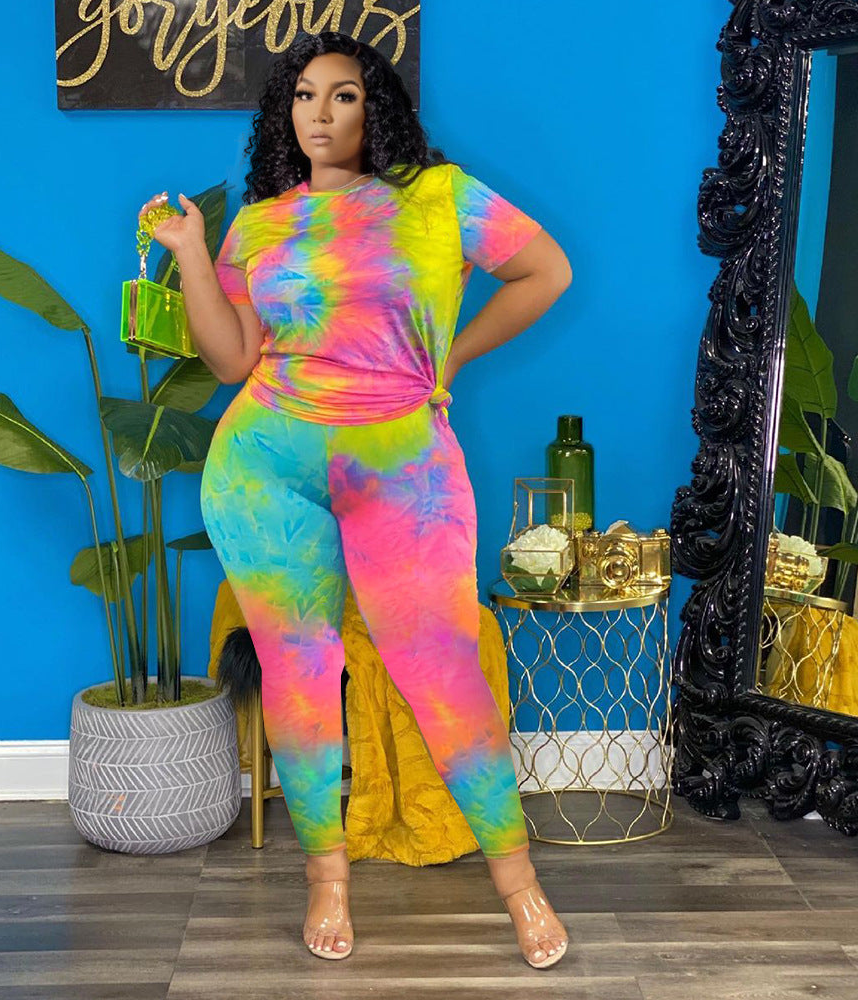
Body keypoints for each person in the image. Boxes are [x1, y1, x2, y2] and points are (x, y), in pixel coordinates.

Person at [139, 30, 573, 969]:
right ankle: (326, 881)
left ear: (376, 107)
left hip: (403, 467)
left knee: (443, 670)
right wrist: (192, 250)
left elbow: (548, 272)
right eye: (303, 96)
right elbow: (230, 359)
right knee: (298, 673)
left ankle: (519, 885)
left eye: (343, 94)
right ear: (283, 114)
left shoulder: (440, 197)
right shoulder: (261, 225)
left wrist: (450, 358)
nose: (321, 113)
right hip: (265, 468)